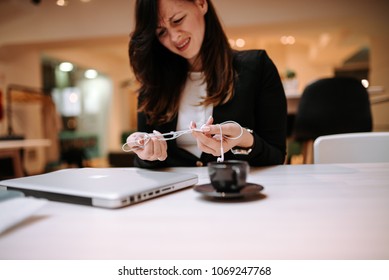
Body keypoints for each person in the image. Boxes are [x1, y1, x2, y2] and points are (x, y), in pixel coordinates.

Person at [126, 0, 287, 168]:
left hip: (236, 191)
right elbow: (144, 164)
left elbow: (276, 155)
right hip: (174, 193)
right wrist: (145, 152)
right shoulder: (154, 82)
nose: (174, 37)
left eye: (178, 20)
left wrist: (244, 140)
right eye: (161, 32)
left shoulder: (256, 67)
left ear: (201, 3)